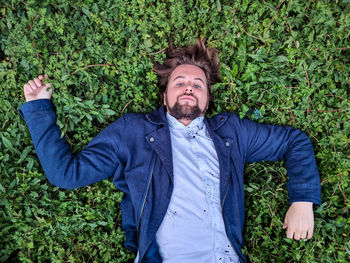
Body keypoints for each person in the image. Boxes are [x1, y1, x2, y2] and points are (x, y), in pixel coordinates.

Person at [19, 39, 321, 263]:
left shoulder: (232, 132)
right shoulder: (133, 132)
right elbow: (66, 174)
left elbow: (294, 141)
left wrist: (303, 199)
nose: (189, 87)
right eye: (180, 82)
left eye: (197, 84)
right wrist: (37, 108)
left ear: (207, 101)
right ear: (165, 97)